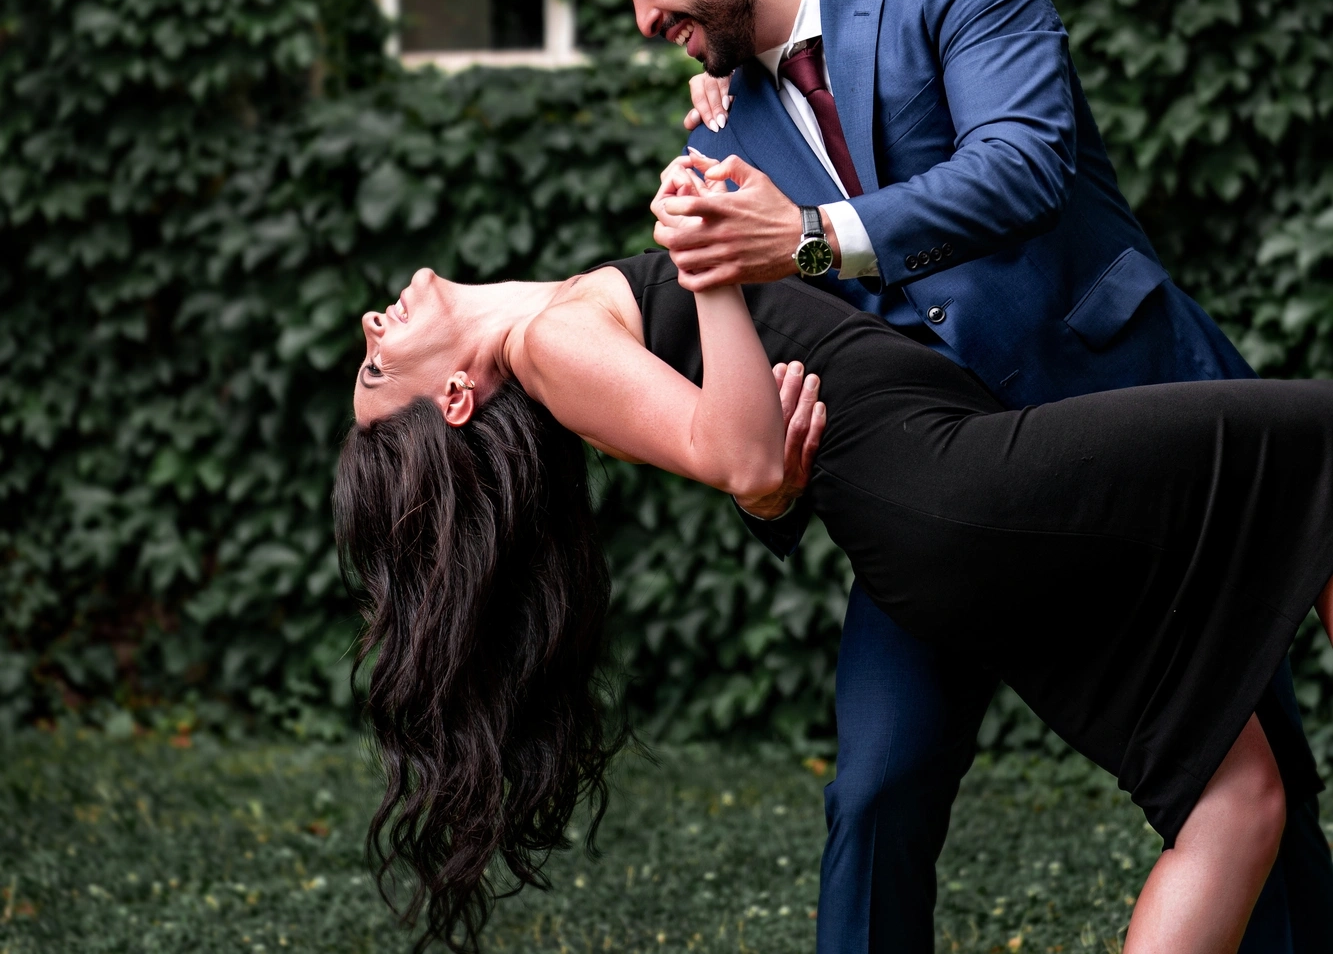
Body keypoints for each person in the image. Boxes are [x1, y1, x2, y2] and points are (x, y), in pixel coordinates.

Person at [581, 0, 1333, 954]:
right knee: (874, 789)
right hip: (936, 502)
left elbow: (1022, 162)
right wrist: (767, 489)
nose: (645, 21)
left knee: (1253, 778)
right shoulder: (721, 139)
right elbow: (775, 359)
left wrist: (811, 237)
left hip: (1131, 422)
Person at [337, 247, 1333, 954]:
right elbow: (744, 459)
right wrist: (710, 267)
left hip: (944, 523)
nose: (372, 326)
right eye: (378, 367)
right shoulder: (550, 342)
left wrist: (720, 162)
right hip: (956, 490)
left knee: (1237, 804)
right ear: (454, 398)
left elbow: (750, 454)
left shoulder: (563, 330)